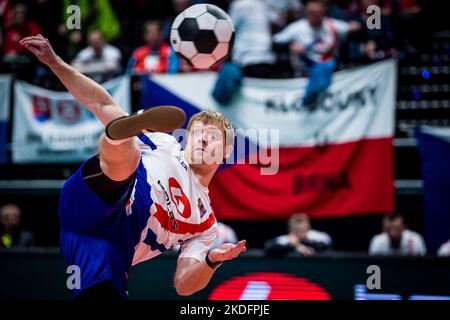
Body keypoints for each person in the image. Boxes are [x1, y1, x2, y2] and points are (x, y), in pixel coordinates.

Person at [20, 34, 246, 301]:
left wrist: (210, 260)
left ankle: (118, 137)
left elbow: (184, 285)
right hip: (95, 198)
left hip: (106, 246)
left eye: (213, 136)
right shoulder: (165, 143)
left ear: (228, 151)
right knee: (127, 159)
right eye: (198, 132)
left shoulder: (205, 223)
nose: (204, 138)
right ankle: (118, 137)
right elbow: (101, 103)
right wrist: (54, 61)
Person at [273, 0, 361, 105]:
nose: (316, 15)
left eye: (319, 12)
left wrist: (359, 25)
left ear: (324, 12)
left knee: (326, 65)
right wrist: (290, 47)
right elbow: (275, 42)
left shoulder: (331, 24)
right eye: (312, 12)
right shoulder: (297, 28)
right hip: (303, 72)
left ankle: (310, 97)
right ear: (306, 13)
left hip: (330, 70)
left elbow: (356, 28)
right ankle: (309, 99)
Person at [265, 213, 332, 257]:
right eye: (297, 231)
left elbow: (326, 244)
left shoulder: (316, 236)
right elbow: (269, 246)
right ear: (291, 231)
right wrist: (293, 246)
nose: (300, 234)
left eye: (303, 230)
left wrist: (305, 243)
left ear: (308, 228)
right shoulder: (287, 239)